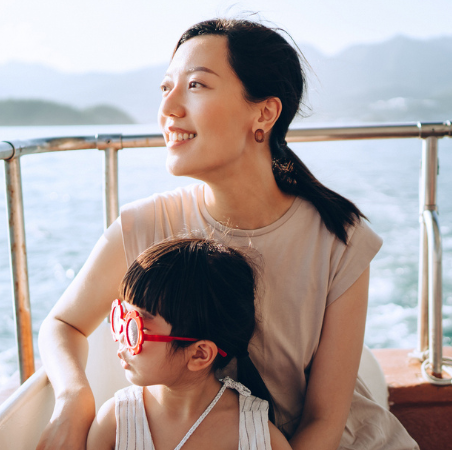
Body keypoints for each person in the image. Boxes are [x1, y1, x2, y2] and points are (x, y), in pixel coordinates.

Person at [37, 18, 418, 450]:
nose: (168, 108)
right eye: (166, 88)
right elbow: (62, 324)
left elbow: (324, 421)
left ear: (264, 113)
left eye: (195, 85)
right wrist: (73, 400)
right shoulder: (143, 227)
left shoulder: (338, 239)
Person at [86, 238, 291, 450]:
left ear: (199, 354)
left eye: (135, 328)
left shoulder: (257, 434)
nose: (121, 337)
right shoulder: (115, 423)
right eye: (121, 318)